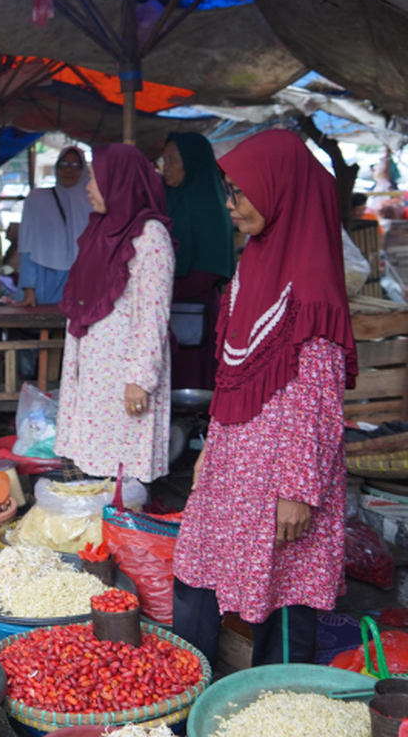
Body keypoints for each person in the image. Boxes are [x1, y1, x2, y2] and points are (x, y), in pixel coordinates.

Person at [172, 130, 357, 667]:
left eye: (241, 192)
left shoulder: (313, 282)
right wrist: (212, 442)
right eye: (227, 191)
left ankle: (273, 706)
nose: (231, 205)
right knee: (196, 575)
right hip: (234, 460)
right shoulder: (251, 265)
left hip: (284, 471)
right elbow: (231, 370)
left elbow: (321, 403)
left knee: (285, 594)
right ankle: (188, 699)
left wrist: (299, 490)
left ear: (281, 190)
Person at [54, 144, 175, 482]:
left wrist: (140, 379)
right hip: (94, 368)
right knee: (90, 460)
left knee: (121, 467)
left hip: (124, 374)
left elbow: (154, 313)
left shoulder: (151, 236)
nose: (89, 188)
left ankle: (123, 527)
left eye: (95, 178)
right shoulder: (99, 231)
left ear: (119, 181)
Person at [162, 133, 235, 390]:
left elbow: (210, 271)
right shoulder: (162, 200)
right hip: (161, 310)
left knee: (190, 381)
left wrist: (160, 289)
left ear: (191, 163)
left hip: (197, 312)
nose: (165, 167)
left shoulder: (211, 206)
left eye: (172, 161)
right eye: (164, 160)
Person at [15, 146, 93, 306]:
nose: (68, 170)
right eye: (63, 164)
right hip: (44, 278)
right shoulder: (37, 199)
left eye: (75, 166)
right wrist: (28, 288)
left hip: (84, 278)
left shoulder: (92, 202)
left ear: (83, 169)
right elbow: (27, 246)